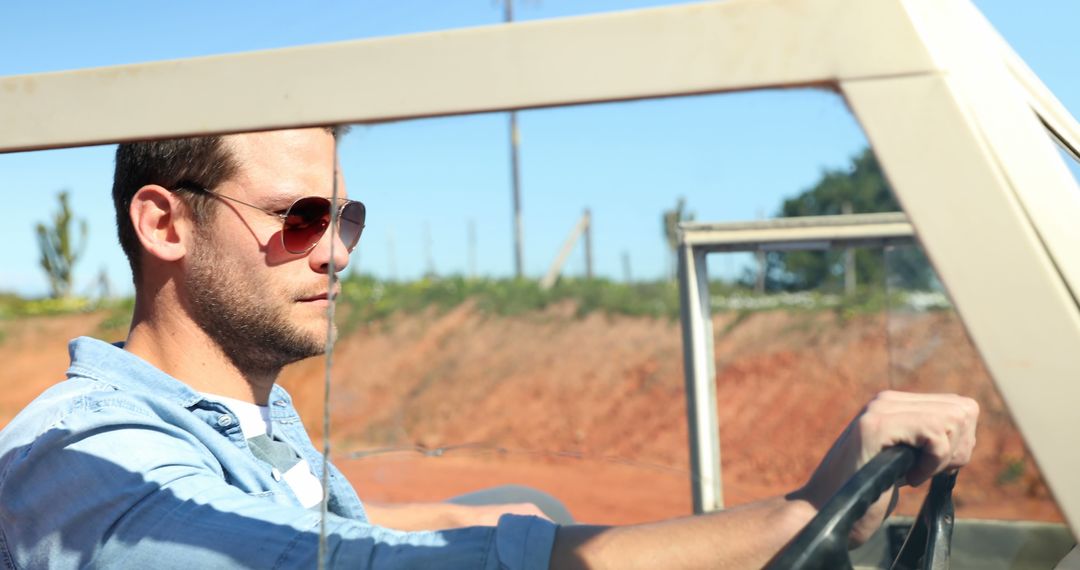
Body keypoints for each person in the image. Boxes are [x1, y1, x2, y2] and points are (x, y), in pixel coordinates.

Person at [0, 127, 979, 569]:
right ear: (166, 225)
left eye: (348, 218)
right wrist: (793, 519)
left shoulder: (245, 416)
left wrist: (498, 510)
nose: (335, 251)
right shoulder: (90, 467)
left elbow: (322, 517)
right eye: (299, 217)